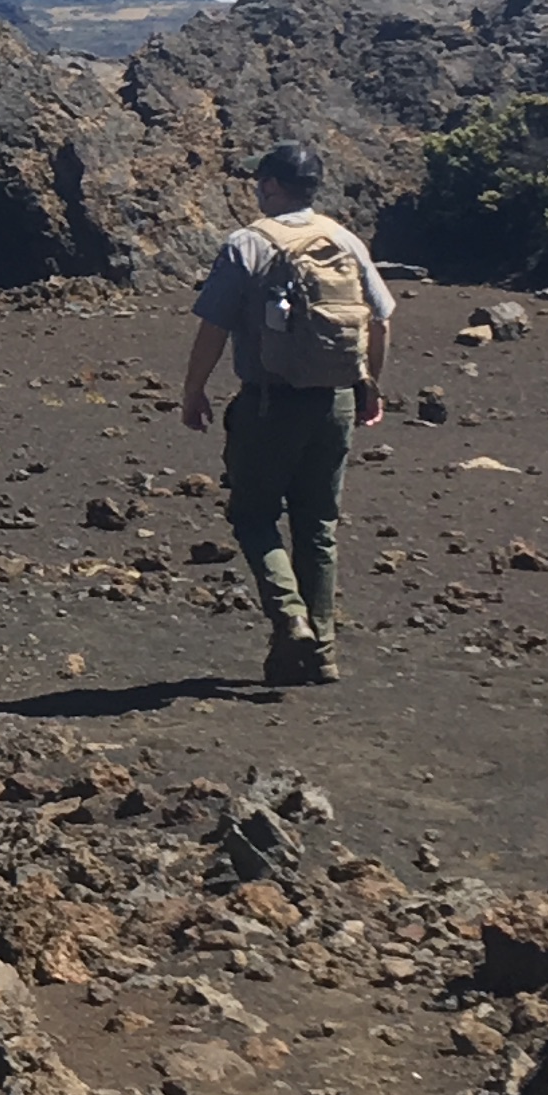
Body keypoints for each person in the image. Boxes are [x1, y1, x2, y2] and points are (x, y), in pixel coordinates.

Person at [179, 140, 394, 687]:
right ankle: (320, 655)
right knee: (318, 526)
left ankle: (290, 615)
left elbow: (214, 325)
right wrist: (370, 385)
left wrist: (194, 389)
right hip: (336, 401)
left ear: (272, 185)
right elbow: (381, 320)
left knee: (253, 516)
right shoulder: (345, 240)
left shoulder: (248, 244)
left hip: (269, 403)